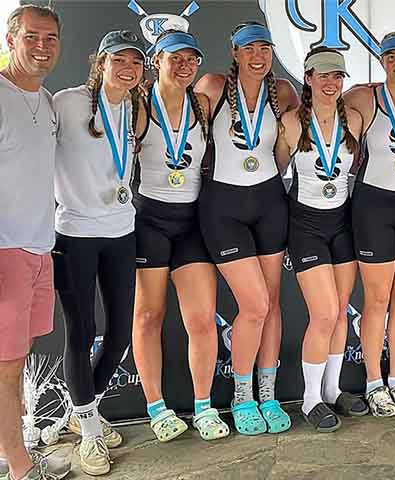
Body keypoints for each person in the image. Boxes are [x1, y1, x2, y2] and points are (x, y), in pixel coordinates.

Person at [194, 22, 298, 435]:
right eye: (248, 49)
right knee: (254, 305)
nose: (258, 56)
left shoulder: (284, 93)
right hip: (224, 207)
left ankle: (268, 395)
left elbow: (287, 149)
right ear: (234, 53)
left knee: (271, 303)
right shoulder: (214, 86)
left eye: (264, 48)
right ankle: (242, 396)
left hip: (271, 202)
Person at [52, 30, 146, 474]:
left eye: (135, 62)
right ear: (100, 62)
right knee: (81, 330)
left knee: (120, 336)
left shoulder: (135, 108)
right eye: (119, 60)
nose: (127, 68)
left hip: (121, 231)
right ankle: (89, 434)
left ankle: (81, 409)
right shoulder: (67, 102)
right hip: (74, 233)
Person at [131, 29, 230, 442]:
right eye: (175, 57)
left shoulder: (203, 105)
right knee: (149, 316)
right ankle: (156, 406)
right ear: (158, 61)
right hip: (149, 219)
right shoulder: (139, 106)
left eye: (191, 58)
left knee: (203, 320)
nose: (185, 65)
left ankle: (204, 406)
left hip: (192, 221)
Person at [276, 47, 367, 432]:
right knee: (325, 313)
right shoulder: (292, 122)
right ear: (308, 78)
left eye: (337, 77)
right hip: (306, 225)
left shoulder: (356, 120)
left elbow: (357, 165)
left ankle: (333, 389)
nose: (331, 83)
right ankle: (310, 398)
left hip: (342, 222)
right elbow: (276, 169)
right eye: (323, 76)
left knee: (342, 310)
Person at [0, 5, 72, 480]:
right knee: (6, 369)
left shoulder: (45, 102)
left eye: (50, 38)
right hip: (4, 251)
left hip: (38, 246)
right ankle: (22, 468)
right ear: (11, 40)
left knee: (14, 362)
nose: (42, 47)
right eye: (32, 37)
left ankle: (10, 452)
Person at [343, 31, 395, 417]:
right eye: (391, 55)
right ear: (381, 60)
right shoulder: (362, 96)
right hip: (374, 205)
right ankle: (373, 382)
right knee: (376, 300)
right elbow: (324, 118)